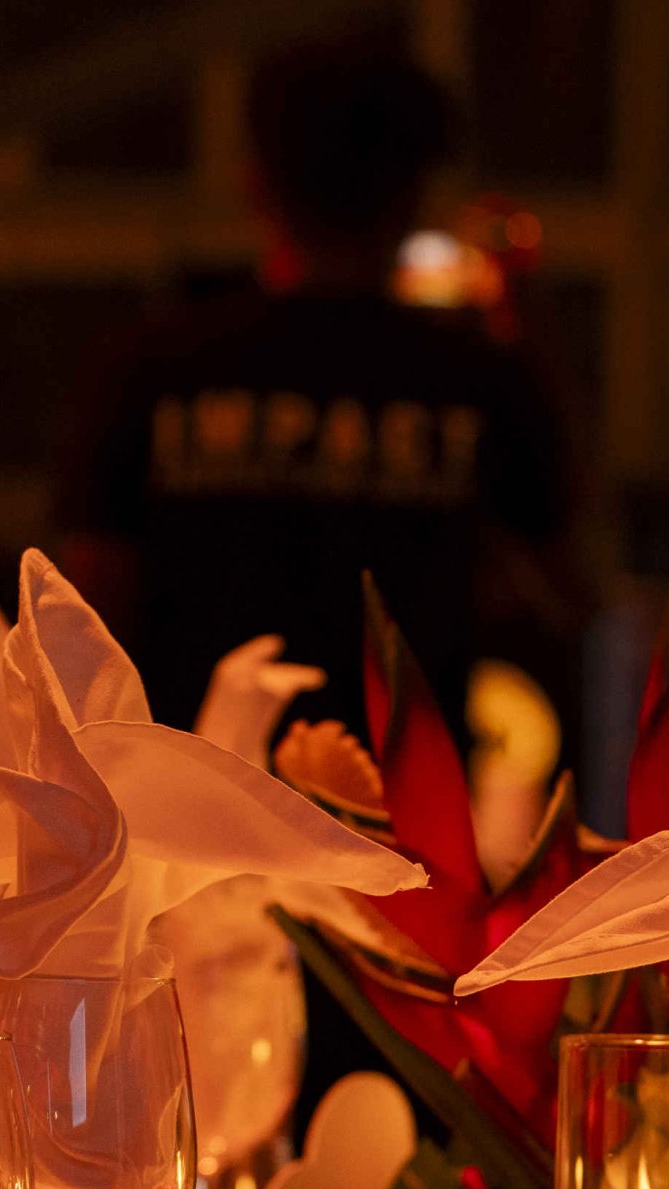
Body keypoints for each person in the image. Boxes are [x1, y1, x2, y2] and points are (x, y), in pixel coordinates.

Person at [49, 46, 579, 729]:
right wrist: (530, 323)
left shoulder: (154, 364)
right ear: (414, 192)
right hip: (400, 812)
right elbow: (568, 587)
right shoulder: (476, 377)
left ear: (256, 182)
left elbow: (88, 612)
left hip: (190, 804)